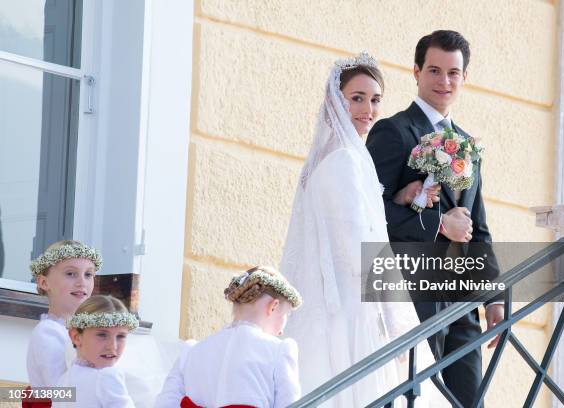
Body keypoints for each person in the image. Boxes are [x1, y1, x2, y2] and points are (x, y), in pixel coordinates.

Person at [280, 53, 439, 407]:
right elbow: (359, 250)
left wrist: (399, 195)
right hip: (355, 311)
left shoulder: (331, 158)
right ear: (336, 100)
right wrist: (397, 319)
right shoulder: (344, 161)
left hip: (336, 304)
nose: (368, 109)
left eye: (375, 99)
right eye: (357, 98)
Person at [366, 30, 504, 407]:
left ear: (464, 78)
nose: (444, 82)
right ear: (416, 72)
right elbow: (371, 213)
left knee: (467, 401)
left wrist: (494, 297)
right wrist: (440, 225)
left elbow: (480, 227)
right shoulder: (392, 132)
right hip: (413, 296)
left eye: (453, 73)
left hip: (463, 303)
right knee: (417, 400)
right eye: (434, 71)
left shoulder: (469, 145)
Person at [154, 266, 302, 408]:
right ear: (273, 306)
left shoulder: (190, 352)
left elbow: (165, 404)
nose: (282, 330)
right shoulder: (279, 350)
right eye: (286, 315)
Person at [26, 240, 101, 388]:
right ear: (44, 282)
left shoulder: (88, 331)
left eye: (88, 274)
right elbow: (62, 393)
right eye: (71, 273)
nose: (82, 282)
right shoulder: (48, 332)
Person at [55, 295, 138, 407]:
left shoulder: (64, 379)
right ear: (76, 337)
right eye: (102, 335)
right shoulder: (107, 377)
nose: (112, 346)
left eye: (121, 336)